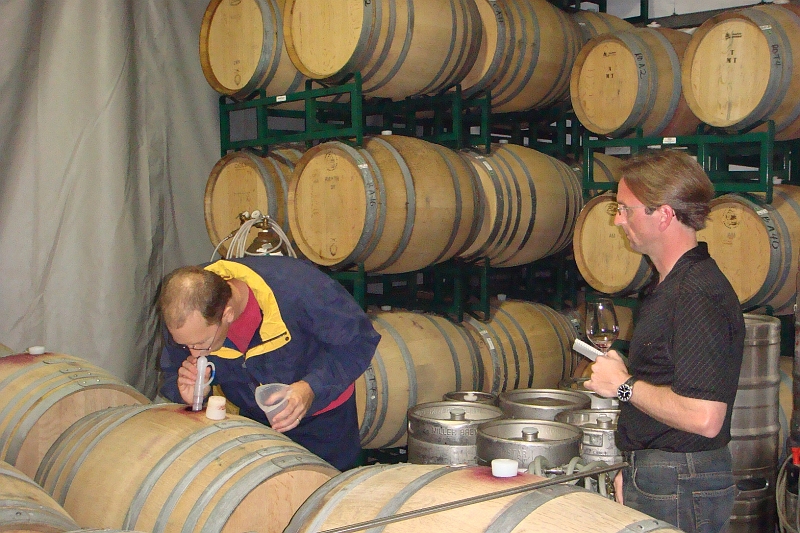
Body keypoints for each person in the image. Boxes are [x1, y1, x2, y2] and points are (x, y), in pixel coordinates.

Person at [585, 149, 745, 533]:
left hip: (681, 479)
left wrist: (622, 387)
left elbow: (704, 418)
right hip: (665, 475)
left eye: (626, 209)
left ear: (664, 214)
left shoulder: (694, 293)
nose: (619, 220)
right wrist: (636, 467)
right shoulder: (668, 285)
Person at [158, 255, 381, 471]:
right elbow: (173, 370)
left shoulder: (302, 289)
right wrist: (192, 394)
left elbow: (359, 342)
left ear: (227, 314)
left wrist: (311, 388)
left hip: (322, 423)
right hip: (256, 424)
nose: (195, 354)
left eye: (201, 344)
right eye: (186, 345)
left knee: (328, 498)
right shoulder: (186, 311)